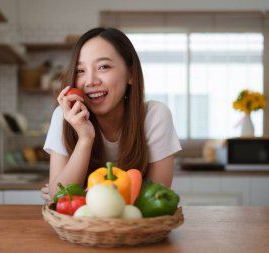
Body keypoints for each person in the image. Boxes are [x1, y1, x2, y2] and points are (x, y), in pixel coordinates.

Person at [41, 27, 181, 202]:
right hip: (84, 228)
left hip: (136, 229)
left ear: (131, 74)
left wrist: (83, 194)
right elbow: (59, 198)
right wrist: (85, 138)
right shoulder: (64, 116)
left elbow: (155, 199)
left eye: (103, 67)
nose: (91, 81)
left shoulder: (154, 116)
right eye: (80, 71)